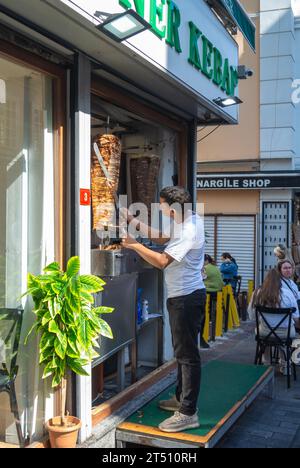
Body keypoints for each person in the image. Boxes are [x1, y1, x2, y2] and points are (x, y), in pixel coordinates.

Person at [121, 186, 206, 433]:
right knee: (182, 353)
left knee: (188, 356)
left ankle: (188, 413)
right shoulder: (187, 220)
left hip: (186, 298)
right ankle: (181, 399)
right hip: (184, 296)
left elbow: (161, 261)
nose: (160, 208)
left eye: (161, 204)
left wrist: (134, 245)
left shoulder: (189, 229)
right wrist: (131, 221)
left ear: (172, 207)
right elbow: (161, 239)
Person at [277, 260, 300, 330]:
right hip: (289, 312)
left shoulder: (291, 282)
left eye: (290, 268)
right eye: (285, 268)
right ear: (280, 270)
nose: (288, 270)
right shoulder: (279, 283)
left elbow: (296, 294)